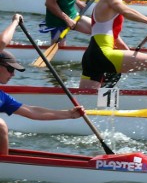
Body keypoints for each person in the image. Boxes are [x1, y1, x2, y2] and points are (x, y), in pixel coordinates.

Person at [0, 14, 84, 156]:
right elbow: (2, 41)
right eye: (10, 69)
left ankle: (5, 162)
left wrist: (69, 114)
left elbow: (33, 112)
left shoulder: (3, 98)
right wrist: (15, 22)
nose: (13, 74)